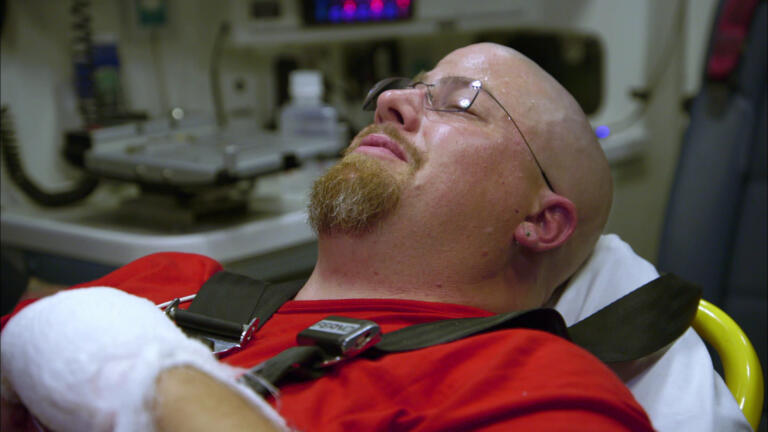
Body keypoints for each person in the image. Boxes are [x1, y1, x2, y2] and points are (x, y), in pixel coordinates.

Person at [0, 42, 745, 431]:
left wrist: (133, 376)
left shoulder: (529, 388)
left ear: (541, 221)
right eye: (406, 87)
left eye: (460, 103)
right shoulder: (168, 280)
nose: (390, 102)